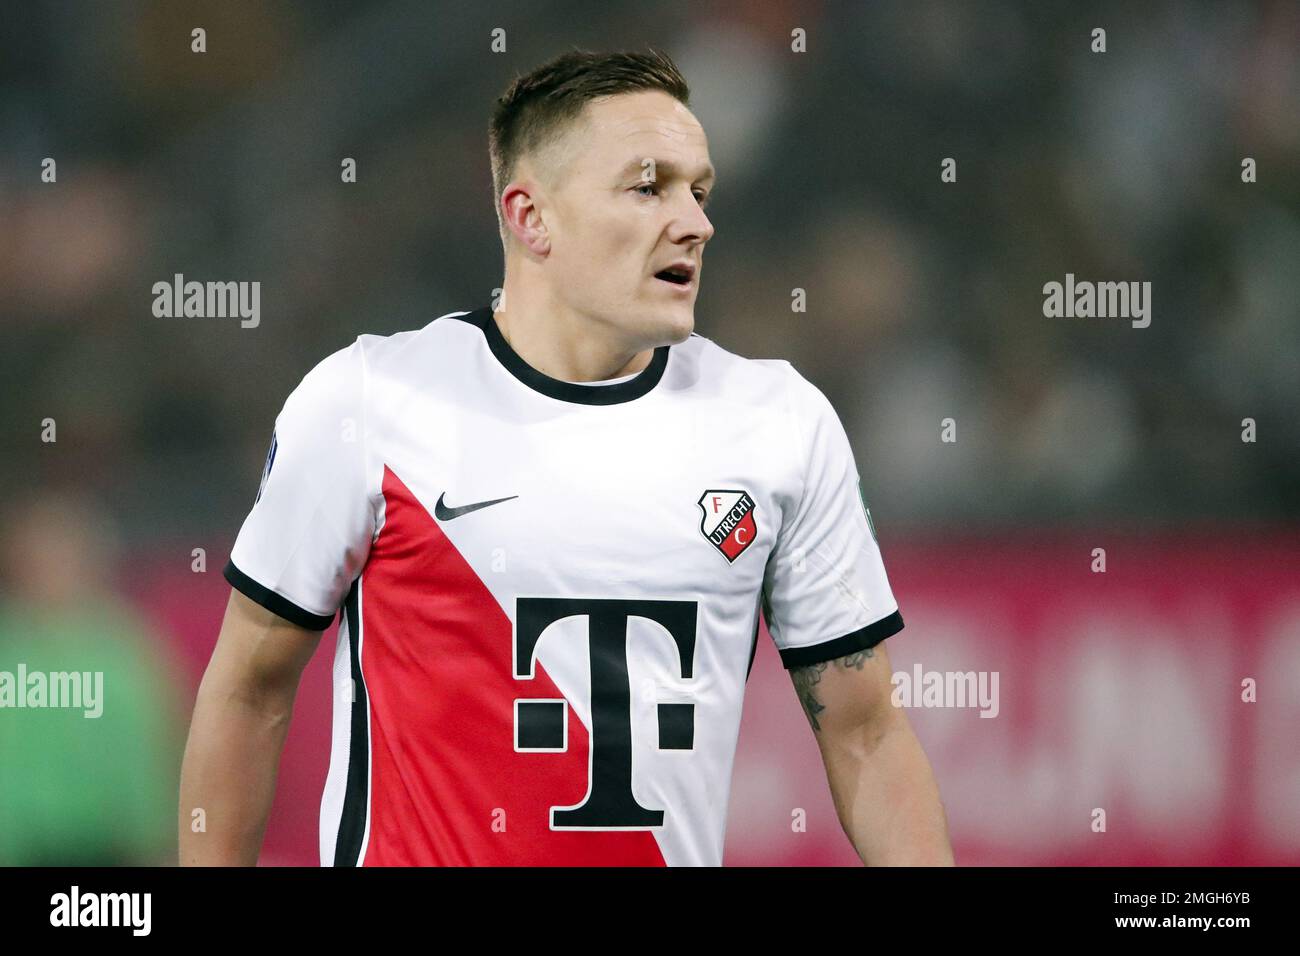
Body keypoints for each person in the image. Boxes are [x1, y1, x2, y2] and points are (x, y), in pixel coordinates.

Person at [179, 48, 952, 866]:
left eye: (700, 190)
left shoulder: (779, 423)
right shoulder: (368, 403)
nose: (694, 221)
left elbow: (866, 732)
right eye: (648, 186)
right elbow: (248, 691)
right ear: (530, 217)